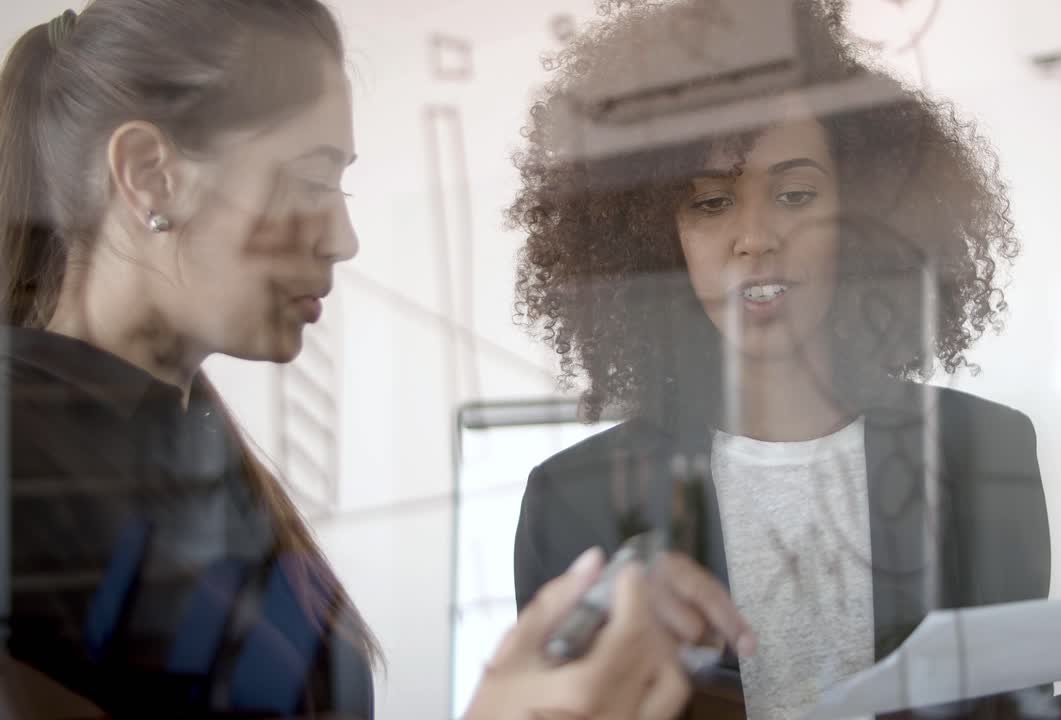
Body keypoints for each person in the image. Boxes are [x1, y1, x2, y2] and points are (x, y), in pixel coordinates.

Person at [508, 1, 1061, 718]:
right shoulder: (575, 502)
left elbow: (1011, 712)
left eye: (795, 194)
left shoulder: (982, 452)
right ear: (652, 238)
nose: (756, 236)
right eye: (710, 204)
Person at [0, 2, 697, 718]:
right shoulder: (21, 457)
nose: (343, 238)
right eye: (309, 183)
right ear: (150, 175)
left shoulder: (192, 453)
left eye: (341, 186)